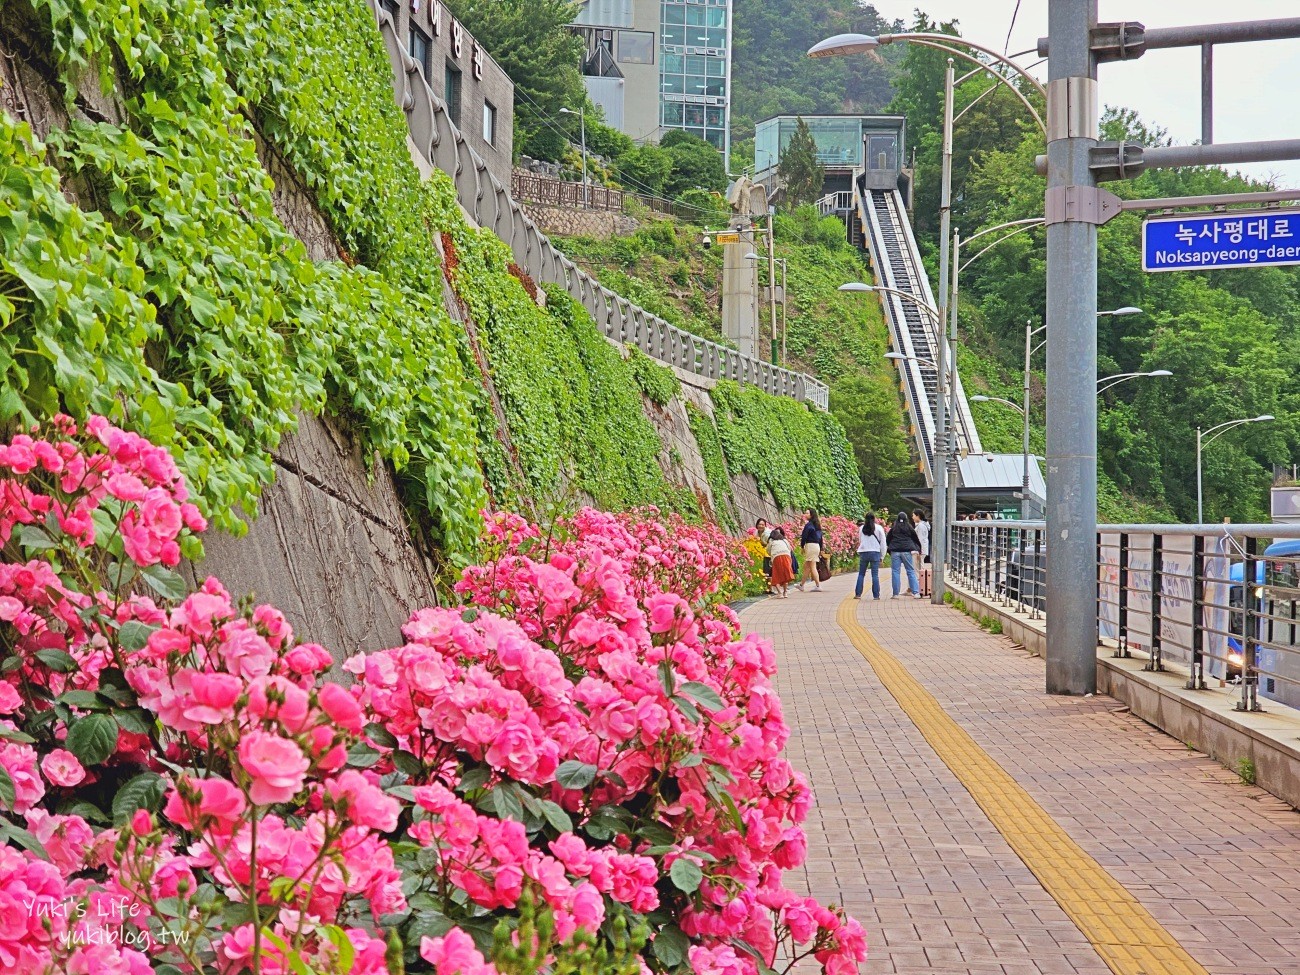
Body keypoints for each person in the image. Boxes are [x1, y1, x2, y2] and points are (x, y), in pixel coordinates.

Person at [887, 510, 923, 599]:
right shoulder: (909, 527)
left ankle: (895, 594)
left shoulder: (894, 528)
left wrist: (890, 547)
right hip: (907, 551)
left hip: (895, 551)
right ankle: (916, 593)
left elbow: (888, 538)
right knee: (910, 571)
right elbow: (915, 538)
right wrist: (918, 549)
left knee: (895, 571)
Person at [854, 512, 887, 600]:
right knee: (875, 575)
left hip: (864, 552)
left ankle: (858, 594)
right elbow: (883, 543)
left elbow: (860, 540)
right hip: (875, 552)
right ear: (874, 518)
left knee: (861, 574)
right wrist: (882, 556)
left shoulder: (861, 528)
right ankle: (876, 595)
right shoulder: (879, 528)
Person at [797, 509, 824, 592]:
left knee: (812, 566)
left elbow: (804, 536)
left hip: (810, 546)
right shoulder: (817, 525)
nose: (805, 514)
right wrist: (821, 548)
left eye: (807, 513)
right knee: (807, 566)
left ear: (811, 515)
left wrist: (802, 546)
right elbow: (821, 539)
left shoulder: (809, 525)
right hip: (816, 546)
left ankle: (818, 585)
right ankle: (801, 585)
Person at [767, 528, 795, 598]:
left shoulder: (771, 540)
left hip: (777, 557)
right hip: (787, 556)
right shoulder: (784, 540)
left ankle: (780, 593)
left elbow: (768, 550)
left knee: (776, 574)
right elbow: (789, 548)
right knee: (785, 575)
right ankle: (785, 593)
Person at [912, 509, 931, 596]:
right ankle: (919, 588)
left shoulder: (920, 526)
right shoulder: (923, 525)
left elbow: (919, 539)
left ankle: (919, 588)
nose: (912, 517)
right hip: (922, 549)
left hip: (919, 550)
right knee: (920, 568)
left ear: (918, 516)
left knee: (918, 569)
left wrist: (919, 551)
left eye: (913, 515)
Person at [755, 518, 772, 589]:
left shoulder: (767, 534)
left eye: (763, 525)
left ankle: (770, 588)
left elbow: (769, 544)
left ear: (765, 526)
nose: (761, 526)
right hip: (763, 553)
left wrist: (761, 543)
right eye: (759, 524)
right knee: (766, 571)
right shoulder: (756, 532)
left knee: (768, 571)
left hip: (770, 552)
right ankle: (768, 587)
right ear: (757, 525)